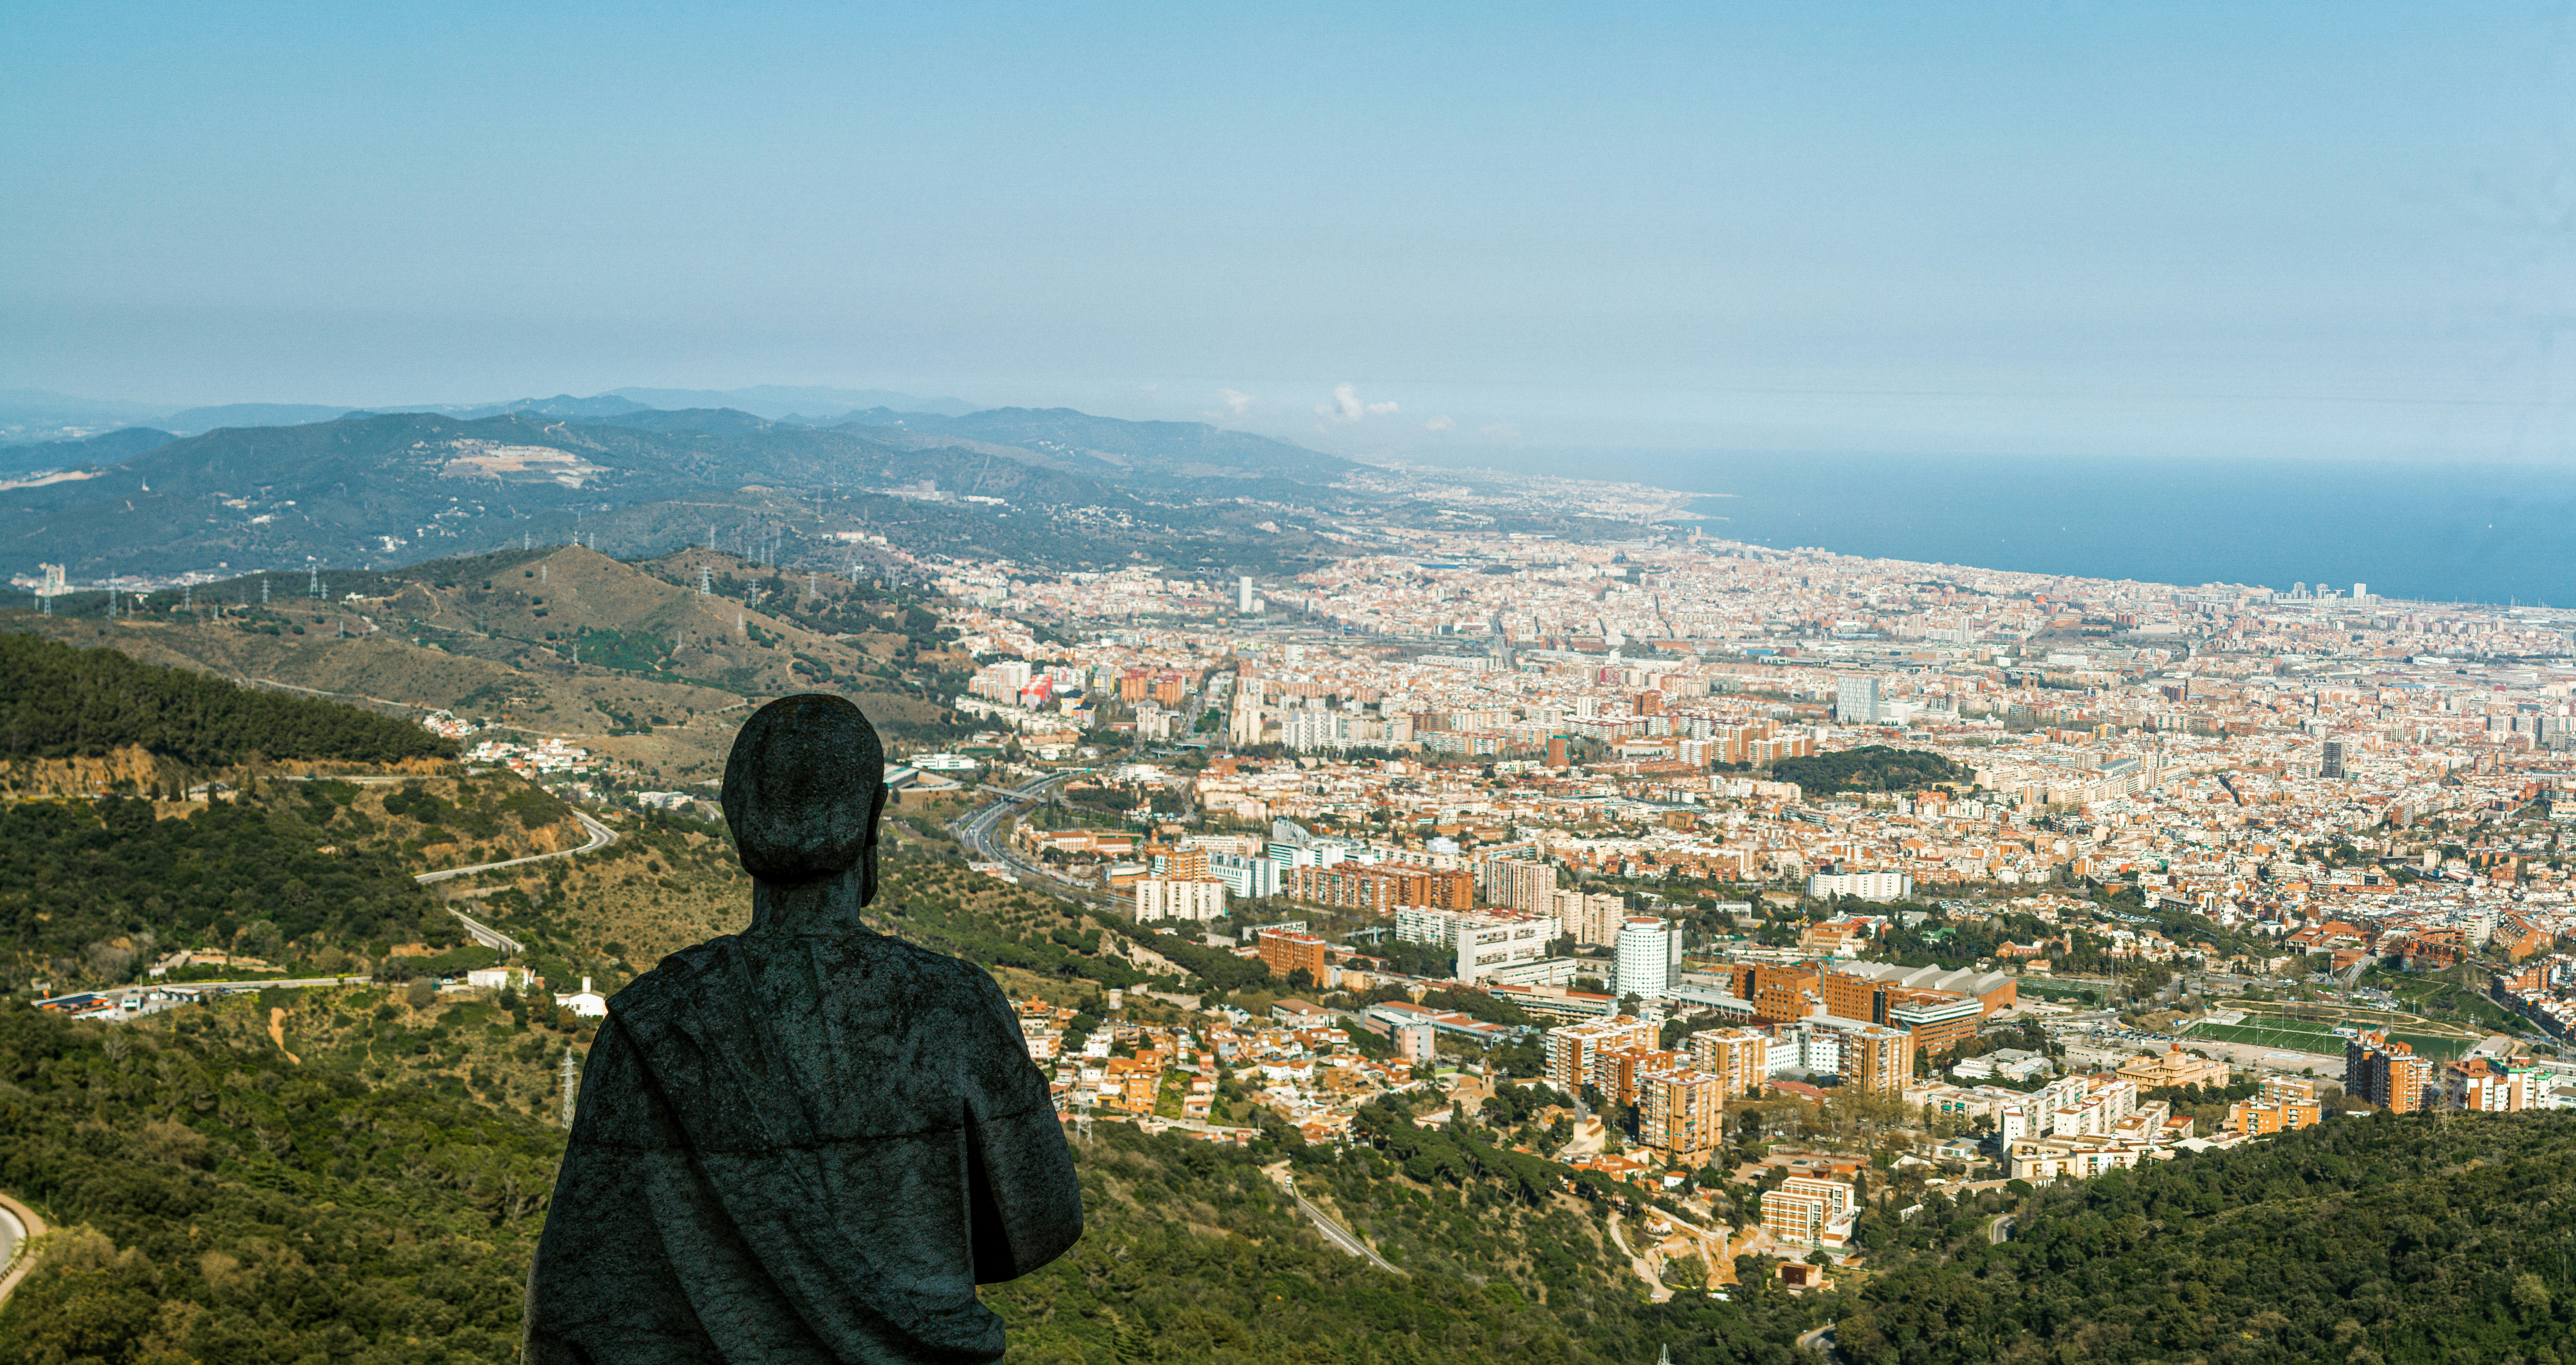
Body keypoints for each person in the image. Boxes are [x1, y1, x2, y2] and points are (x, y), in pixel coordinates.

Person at [525, 693, 1082, 1364]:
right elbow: (1042, 1224)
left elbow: (580, 1288)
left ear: (736, 825)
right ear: (873, 819)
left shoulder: (653, 1023)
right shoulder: (952, 1004)